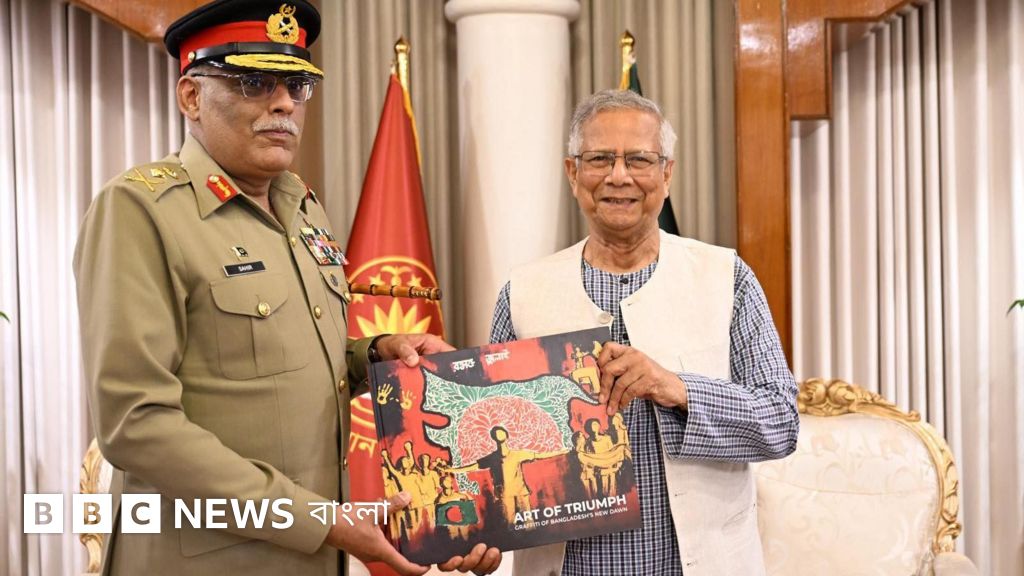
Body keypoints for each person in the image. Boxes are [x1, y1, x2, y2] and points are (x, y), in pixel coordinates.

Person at [72, 2, 501, 575]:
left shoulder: (301, 206)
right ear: (191, 97)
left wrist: (375, 355)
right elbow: (136, 424)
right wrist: (320, 521)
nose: (283, 104)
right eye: (253, 83)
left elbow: (282, 363)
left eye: (296, 86)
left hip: (316, 557)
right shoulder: (140, 211)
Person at [489, 89, 800, 575]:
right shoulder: (523, 292)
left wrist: (675, 388)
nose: (619, 176)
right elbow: (498, 438)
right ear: (573, 173)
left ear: (666, 174)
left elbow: (781, 422)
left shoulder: (726, 278)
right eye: (599, 159)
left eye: (638, 159)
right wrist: (481, 533)